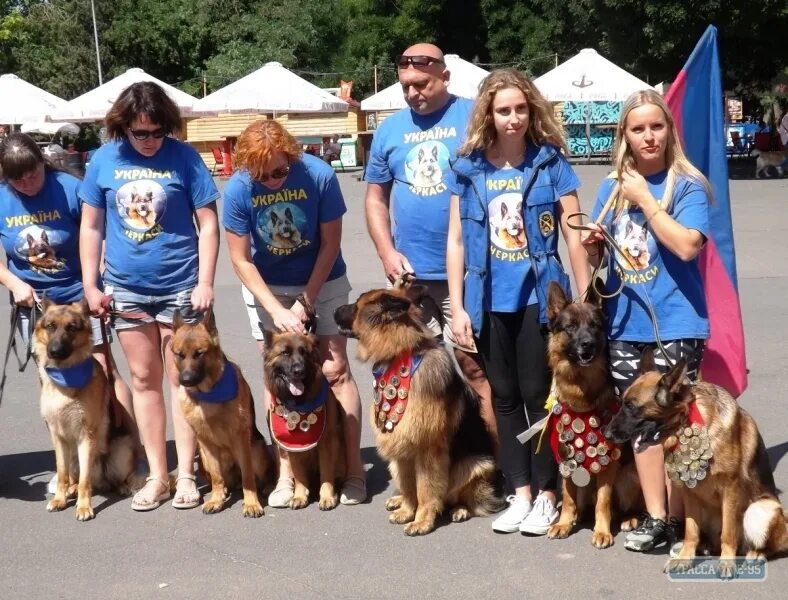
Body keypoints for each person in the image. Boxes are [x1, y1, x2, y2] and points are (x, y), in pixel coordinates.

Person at [447, 68, 590, 535]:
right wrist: (458, 307)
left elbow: (574, 233)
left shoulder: (550, 164)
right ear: (489, 113)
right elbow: (456, 241)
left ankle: (548, 493)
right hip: (487, 298)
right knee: (503, 398)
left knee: (539, 396)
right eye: (504, 110)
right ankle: (520, 492)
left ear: (533, 111)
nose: (513, 118)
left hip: (538, 299)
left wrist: (584, 295)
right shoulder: (467, 167)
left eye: (521, 109)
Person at [79, 81, 220, 512]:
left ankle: (188, 476)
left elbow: (208, 224)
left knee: (184, 382)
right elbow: (92, 227)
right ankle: (158, 475)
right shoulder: (103, 160)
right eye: (141, 133)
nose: (151, 141)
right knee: (143, 381)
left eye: (158, 131)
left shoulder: (184, 158)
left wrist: (206, 281)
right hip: (126, 288)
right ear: (123, 127)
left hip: (181, 286)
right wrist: (90, 284)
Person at [582, 89, 711, 552]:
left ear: (669, 130)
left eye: (656, 126)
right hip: (625, 325)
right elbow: (604, 260)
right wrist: (595, 246)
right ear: (625, 136)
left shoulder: (688, 185)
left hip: (676, 323)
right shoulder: (610, 188)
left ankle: (684, 521)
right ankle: (657, 518)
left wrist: (646, 199)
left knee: (676, 427)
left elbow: (686, 246)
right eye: (638, 129)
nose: (648, 136)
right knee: (639, 423)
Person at [223, 119, 366, 507]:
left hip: (323, 278)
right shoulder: (238, 189)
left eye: (280, 171)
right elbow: (239, 259)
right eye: (262, 174)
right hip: (266, 286)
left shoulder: (317, 174)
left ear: (292, 154)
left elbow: (330, 244)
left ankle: (352, 472)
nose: (271, 180)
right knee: (279, 378)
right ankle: (286, 474)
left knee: (334, 372)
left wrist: (307, 300)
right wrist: (274, 307)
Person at [364, 42, 497, 444]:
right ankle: (431, 466)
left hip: (469, 274)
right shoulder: (389, 130)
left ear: (445, 75)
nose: (412, 93)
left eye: (421, 84)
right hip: (410, 278)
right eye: (405, 86)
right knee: (414, 375)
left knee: (475, 370)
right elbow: (374, 199)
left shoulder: (473, 117)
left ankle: (498, 465)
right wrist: (387, 252)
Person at [0, 133, 136, 485]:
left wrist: (95, 282)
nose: (27, 184)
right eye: (17, 179)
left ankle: (128, 447)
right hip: (33, 304)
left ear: (42, 164)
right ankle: (70, 466)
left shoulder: (68, 187)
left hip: (78, 297)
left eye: (32, 174)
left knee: (104, 371)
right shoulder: (2, 198)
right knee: (49, 380)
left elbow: (99, 232)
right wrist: (14, 283)